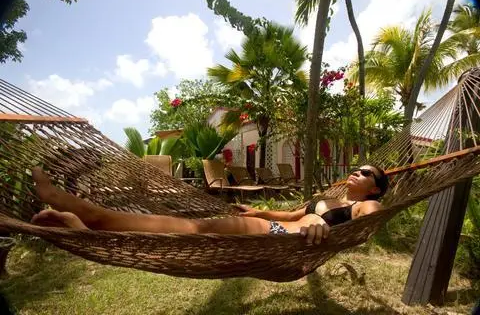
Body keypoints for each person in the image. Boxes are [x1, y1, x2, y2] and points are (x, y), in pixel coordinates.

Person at [30, 165, 388, 245]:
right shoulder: (328, 198)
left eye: (366, 173)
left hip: (285, 241)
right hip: (273, 228)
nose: (356, 172)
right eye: (356, 169)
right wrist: (256, 211)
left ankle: (90, 218)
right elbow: (292, 213)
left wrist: (322, 228)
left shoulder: (364, 208)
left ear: (375, 189)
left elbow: (366, 227)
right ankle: (88, 225)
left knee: (190, 231)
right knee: (186, 232)